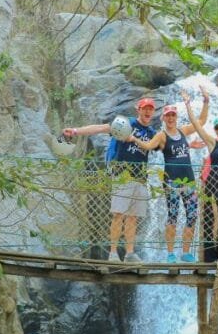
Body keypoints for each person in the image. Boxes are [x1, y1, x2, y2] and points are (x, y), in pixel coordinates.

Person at [62, 97, 158, 263]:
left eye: (151, 109)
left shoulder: (151, 133)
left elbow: (170, 141)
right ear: (138, 109)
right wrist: (76, 131)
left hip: (141, 177)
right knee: (118, 215)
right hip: (123, 175)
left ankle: (129, 253)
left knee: (133, 217)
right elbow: (101, 128)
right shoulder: (126, 123)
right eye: (145, 108)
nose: (148, 111)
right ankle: (113, 253)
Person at [129, 90, 209, 262]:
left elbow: (201, 121)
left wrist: (206, 101)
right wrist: (134, 139)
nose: (171, 118)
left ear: (176, 116)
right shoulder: (161, 135)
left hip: (189, 181)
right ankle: (171, 253)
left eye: (173, 115)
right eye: (168, 116)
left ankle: (186, 252)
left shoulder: (182, 131)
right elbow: (149, 146)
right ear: (163, 118)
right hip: (171, 182)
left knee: (192, 215)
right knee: (173, 215)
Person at [186, 98, 218, 263]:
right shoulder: (212, 142)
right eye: (217, 127)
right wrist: (188, 105)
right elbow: (197, 126)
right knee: (212, 216)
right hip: (213, 182)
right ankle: (210, 254)